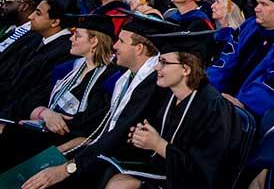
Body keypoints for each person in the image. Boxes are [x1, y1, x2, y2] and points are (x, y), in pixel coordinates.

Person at [19, 14, 178, 189]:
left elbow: (119, 134)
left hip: (130, 159)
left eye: (121, 42)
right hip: (105, 151)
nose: (115, 46)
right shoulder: (125, 78)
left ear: (139, 48)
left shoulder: (152, 85)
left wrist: (70, 167)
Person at [101, 30, 244, 189]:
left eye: (164, 62)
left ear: (186, 69)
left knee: (119, 185)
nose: (156, 67)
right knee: (104, 168)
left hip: (190, 182)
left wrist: (158, 144)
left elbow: (205, 170)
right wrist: (141, 137)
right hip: (166, 171)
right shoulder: (169, 95)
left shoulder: (213, 107)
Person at [0, 14, 119, 170]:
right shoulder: (68, 69)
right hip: (44, 132)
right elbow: (29, 100)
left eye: (77, 35)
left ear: (94, 41)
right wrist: (44, 114)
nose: (71, 39)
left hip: (68, 140)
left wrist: (47, 122)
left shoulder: (111, 79)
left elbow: (90, 125)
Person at [0, 0, 75, 124]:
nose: (30, 17)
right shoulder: (36, 38)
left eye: (38, 14)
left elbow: (35, 94)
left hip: (16, 118)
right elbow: (11, 75)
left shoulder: (65, 52)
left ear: (55, 22)